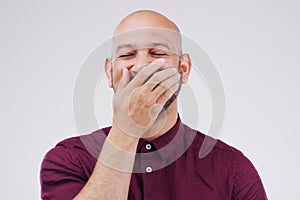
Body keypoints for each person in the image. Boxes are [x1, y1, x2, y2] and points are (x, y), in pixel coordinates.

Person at [40, 10, 268, 200]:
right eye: (128, 54)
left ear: (184, 69)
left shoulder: (232, 169)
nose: (141, 66)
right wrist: (126, 130)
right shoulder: (69, 160)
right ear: (110, 73)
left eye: (157, 52)